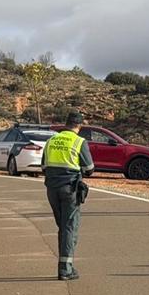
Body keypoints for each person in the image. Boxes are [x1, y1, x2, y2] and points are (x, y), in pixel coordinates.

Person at [41, 111, 95, 281]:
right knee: (69, 228)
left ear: (66, 123)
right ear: (79, 126)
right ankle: (65, 269)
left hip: (52, 189)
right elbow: (89, 169)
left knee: (63, 227)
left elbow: (43, 166)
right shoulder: (79, 141)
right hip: (70, 189)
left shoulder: (51, 140)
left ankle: (65, 265)